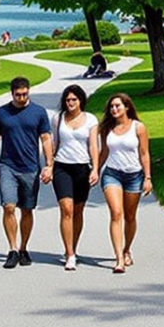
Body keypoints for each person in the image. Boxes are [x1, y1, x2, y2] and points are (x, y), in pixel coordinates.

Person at [0, 76, 52, 269]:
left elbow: (46, 138)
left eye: (25, 94)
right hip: (8, 166)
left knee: (27, 209)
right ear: (12, 93)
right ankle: (12, 249)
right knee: (9, 207)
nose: (21, 98)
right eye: (18, 95)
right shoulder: (1, 113)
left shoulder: (39, 112)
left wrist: (49, 164)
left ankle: (23, 248)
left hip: (31, 167)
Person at [48, 84, 102, 271]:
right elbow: (54, 143)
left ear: (81, 101)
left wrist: (95, 169)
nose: (70, 103)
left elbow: (93, 146)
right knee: (67, 209)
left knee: (78, 211)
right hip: (62, 167)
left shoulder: (90, 119)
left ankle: (74, 247)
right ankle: (69, 253)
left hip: (82, 168)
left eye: (74, 100)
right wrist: (49, 165)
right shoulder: (58, 119)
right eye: (67, 100)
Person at [98, 93, 152, 273]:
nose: (114, 109)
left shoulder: (138, 127)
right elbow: (104, 152)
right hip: (112, 174)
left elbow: (144, 153)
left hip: (134, 175)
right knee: (116, 213)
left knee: (130, 217)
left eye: (117, 106)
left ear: (127, 107)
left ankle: (126, 249)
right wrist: (95, 170)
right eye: (111, 107)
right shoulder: (107, 129)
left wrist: (147, 177)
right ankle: (119, 259)